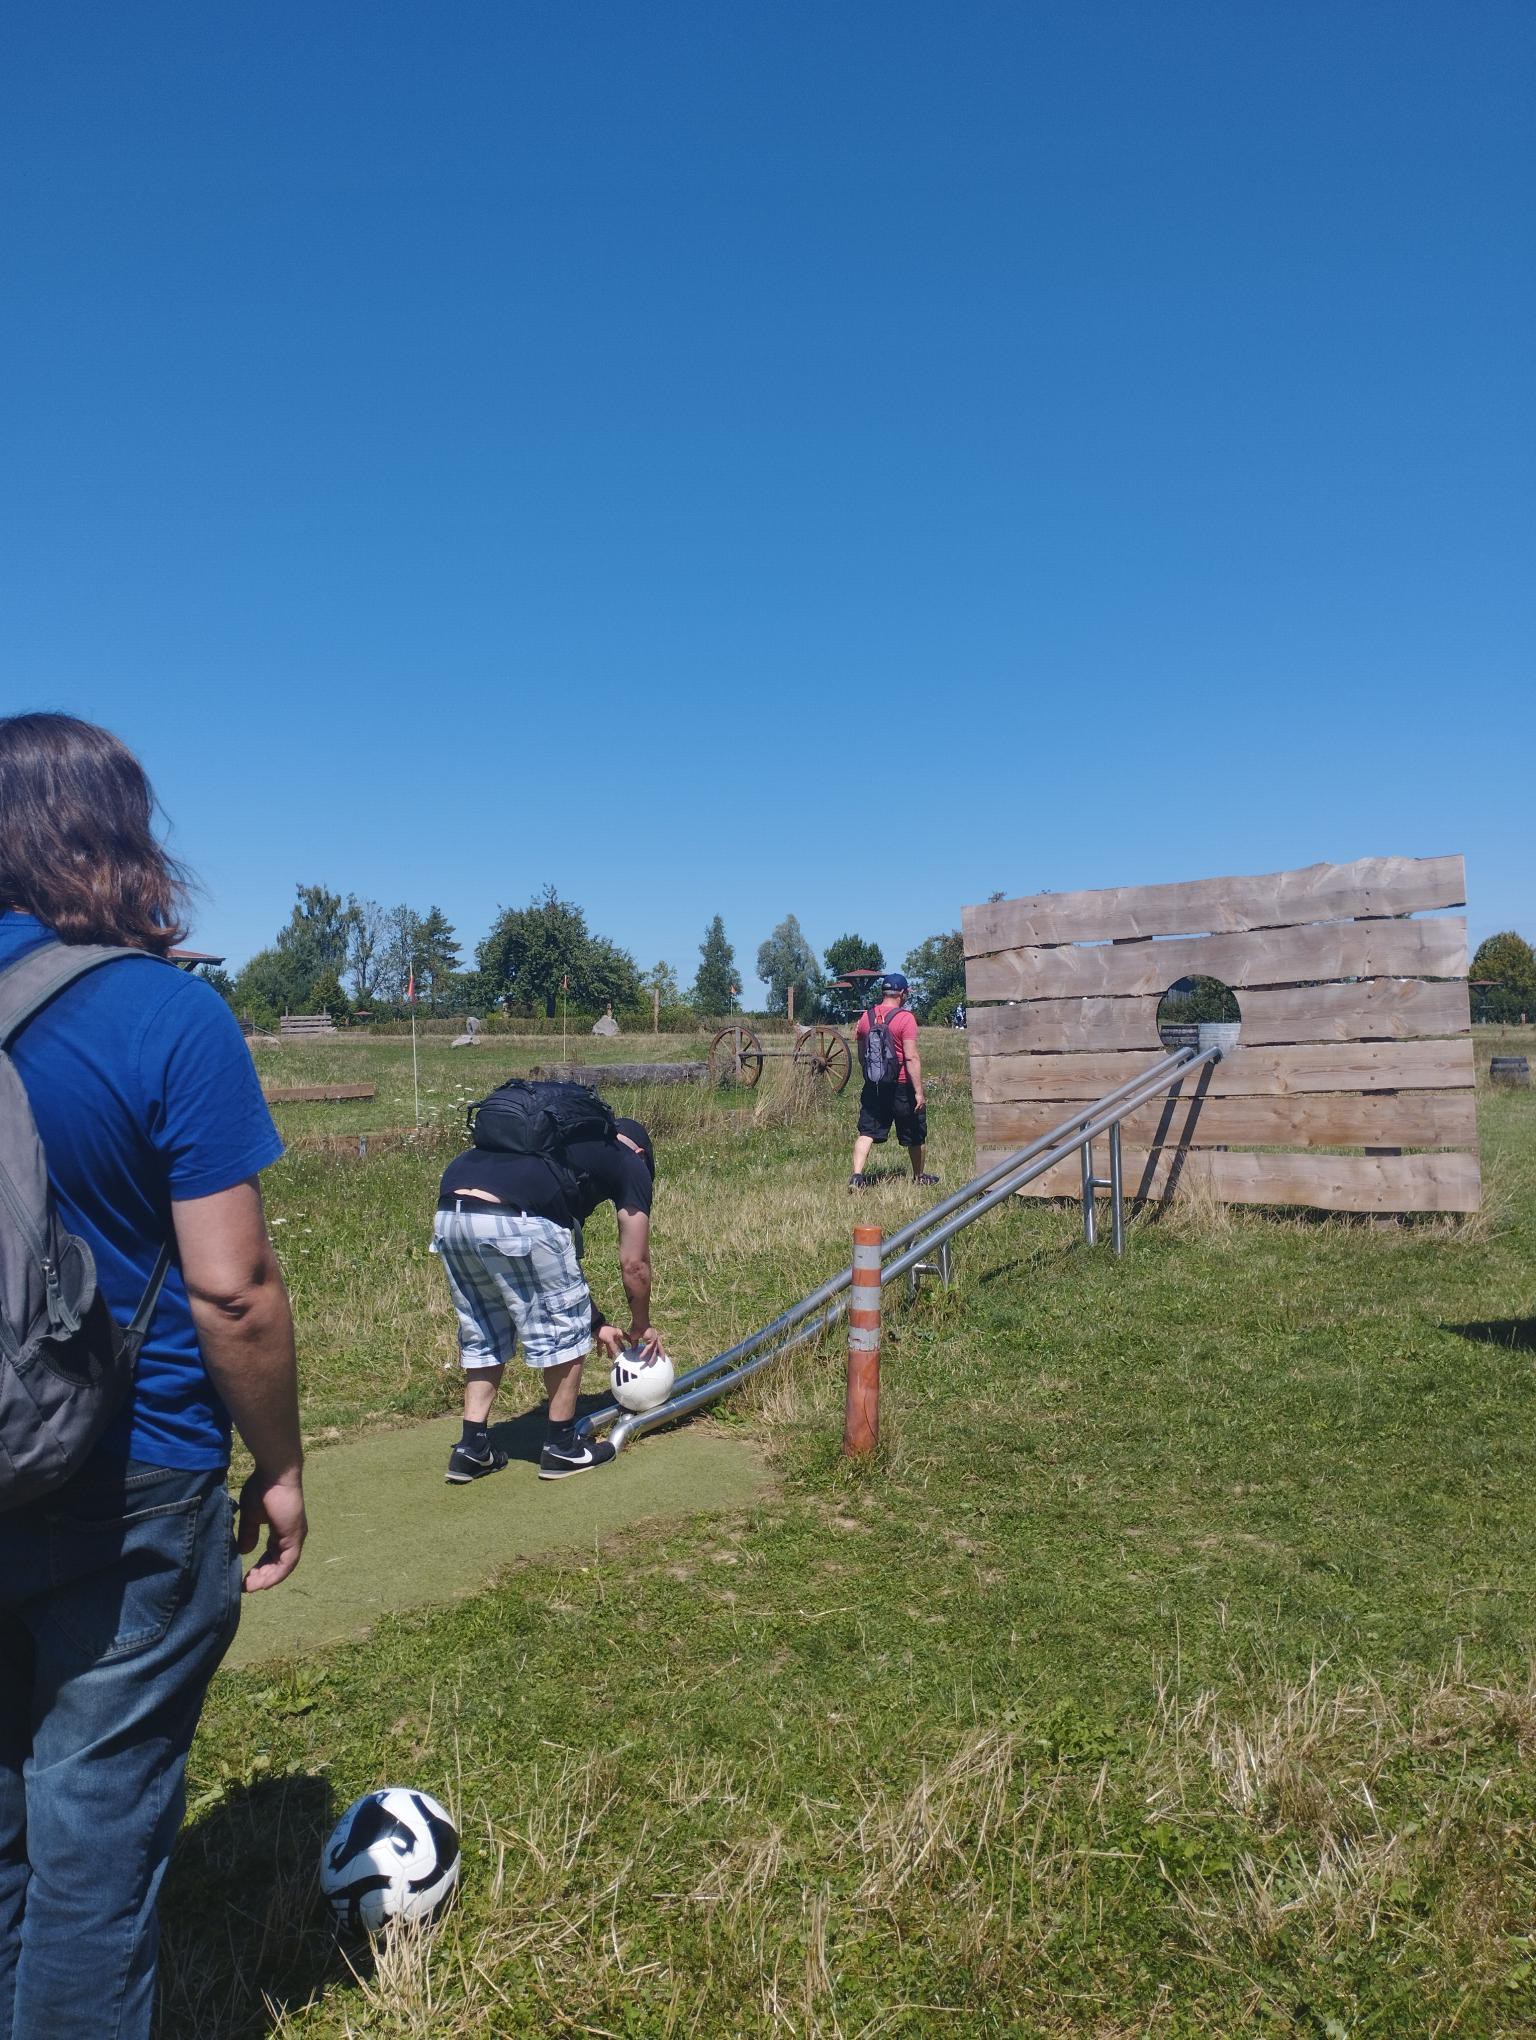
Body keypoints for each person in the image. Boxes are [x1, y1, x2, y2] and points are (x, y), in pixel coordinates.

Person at [0, 711, 306, 2040]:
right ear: (117, 837)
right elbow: (230, 1286)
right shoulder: (166, 1016)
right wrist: (284, 1466)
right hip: (135, 1479)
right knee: (93, 1840)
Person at [433, 1113, 660, 1482]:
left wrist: (599, 1324)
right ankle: (562, 1447)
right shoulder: (628, 1161)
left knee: (485, 1324)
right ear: (639, 1151)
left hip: (451, 1209)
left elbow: (557, 1279)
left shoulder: (559, 1152)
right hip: (512, 1214)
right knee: (563, 1329)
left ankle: (471, 1448)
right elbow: (634, 1264)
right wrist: (642, 1325)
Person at [849, 972, 937, 1188]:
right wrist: (918, 1091)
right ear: (902, 993)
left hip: (875, 1084)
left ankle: (857, 1175)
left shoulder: (866, 1017)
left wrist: (869, 1074)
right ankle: (918, 1176)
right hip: (901, 1085)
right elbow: (910, 1056)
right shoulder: (905, 1018)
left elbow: (862, 1053)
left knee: (866, 1132)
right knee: (915, 1134)